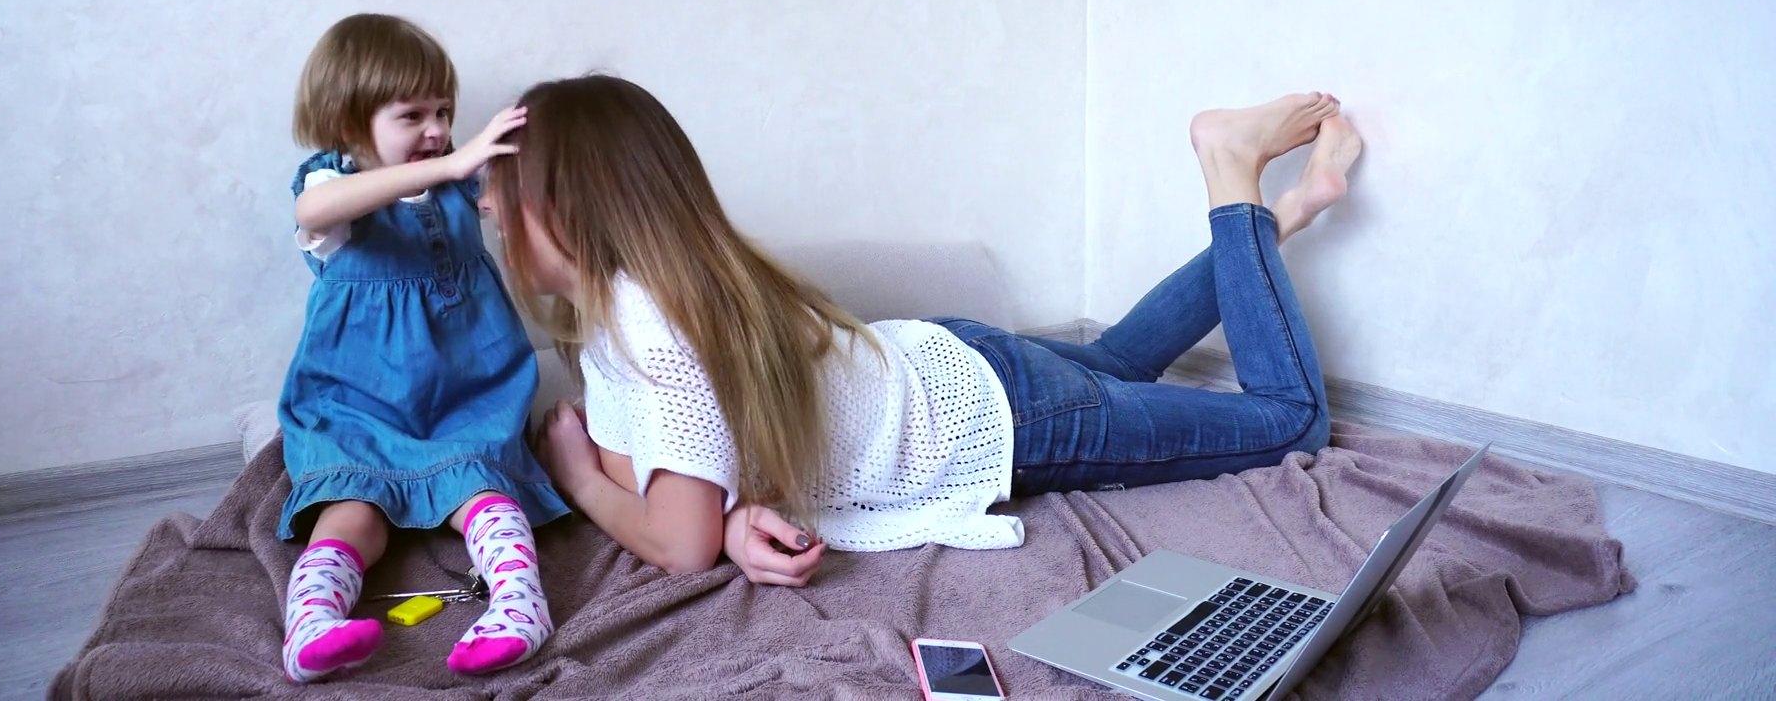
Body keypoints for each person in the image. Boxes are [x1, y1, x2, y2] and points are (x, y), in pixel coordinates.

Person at [490, 74, 1361, 588]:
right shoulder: (643, 298)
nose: (487, 209)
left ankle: (1230, 171)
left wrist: (579, 479)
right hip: (948, 360)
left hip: (996, 416)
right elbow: (679, 469)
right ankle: (1282, 214)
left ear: (562, 207)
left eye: (498, 190)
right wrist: (731, 514)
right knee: (1113, 361)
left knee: (1290, 420)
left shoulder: (647, 324)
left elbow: (675, 543)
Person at [274, 13, 567, 681]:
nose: (436, 130)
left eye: (443, 112)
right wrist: (451, 162)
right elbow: (312, 214)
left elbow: (523, 200)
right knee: (352, 510)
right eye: (412, 115)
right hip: (359, 404)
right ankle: (313, 624)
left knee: (487, 492)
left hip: (465, 395)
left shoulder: (458, 182)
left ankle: (519, 606)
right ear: (349, 122)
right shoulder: (330, 187)